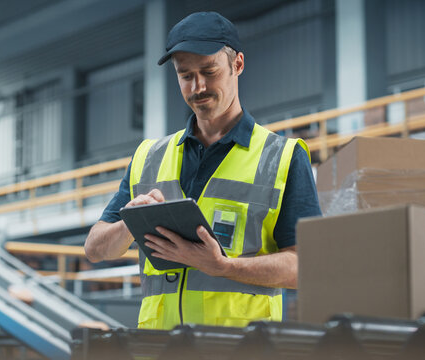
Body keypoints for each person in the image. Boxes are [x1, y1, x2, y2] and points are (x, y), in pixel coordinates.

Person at [85, 11, 321, 329]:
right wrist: (131, 222)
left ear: (237, 64)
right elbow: (95, 249)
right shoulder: (148, 157)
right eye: (185, 75)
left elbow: (309, 266)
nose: (198, 87)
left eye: (209, 72)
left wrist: (223, 266)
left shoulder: (282, 158)